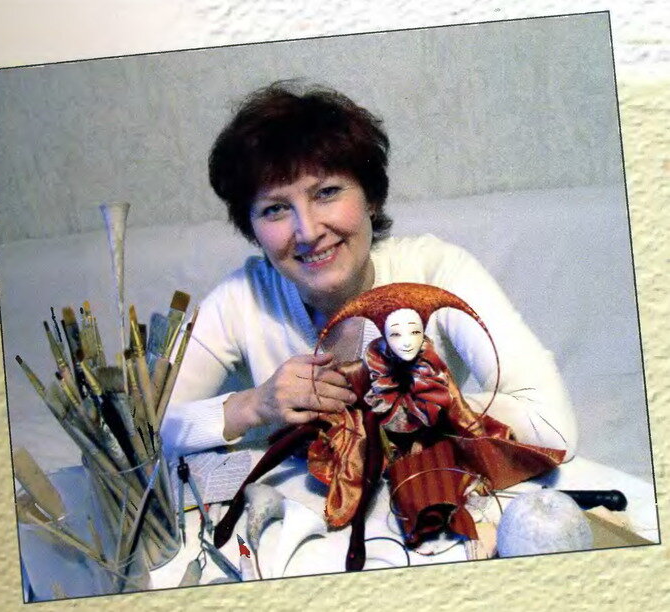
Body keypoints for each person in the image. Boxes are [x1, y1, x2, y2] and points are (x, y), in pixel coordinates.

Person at [161, 81, 578, 462]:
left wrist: (417, 407)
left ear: (371, 198)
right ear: (251, 228)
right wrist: (255, 405)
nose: (308, 232)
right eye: (275, 209)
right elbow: (147, 434)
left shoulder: (437, 272)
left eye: (326, 193)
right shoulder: (242, 298)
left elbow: (552, 426)